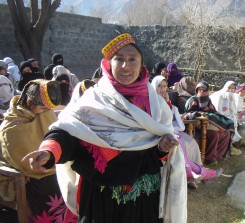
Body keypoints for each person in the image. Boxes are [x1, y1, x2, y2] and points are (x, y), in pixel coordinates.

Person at [22, 33, 187, 223]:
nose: (126, 66)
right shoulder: (93, 98)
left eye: (133, 60)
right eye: (119, 59)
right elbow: (67, 131)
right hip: (99, 196)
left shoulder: (156, 105)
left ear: (142, 65)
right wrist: (49, 152)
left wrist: (162, 148)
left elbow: (155, 150)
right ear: (109, 64)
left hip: (142, 196)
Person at [0, 79, 77, 222]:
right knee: (49, 187)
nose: (46, 111)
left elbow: (55, 135)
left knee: (72, 177)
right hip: (29, 177)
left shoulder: (43, 114)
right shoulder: (11, 125)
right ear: (29, 101)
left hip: (51, 167)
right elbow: (23, 162)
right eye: (43, 107)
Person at [151, 76, 222, 189]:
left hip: (171, 130)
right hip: (158, 134)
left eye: (164, 86)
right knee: (178, 142)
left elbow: (171, 118)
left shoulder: (167, 100)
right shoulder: (150, 101)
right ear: (153, 87)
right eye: (159, 86)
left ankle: (194, 175)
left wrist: (168, 103)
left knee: (191, 143)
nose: (163, 89)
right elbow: (157, 120)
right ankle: (199, 173)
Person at [184, 81, 233, 165]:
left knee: (226, 132)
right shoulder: (193, 100)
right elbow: (189, 114)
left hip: (208, 124)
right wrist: (200, 114)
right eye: (199, 90)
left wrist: (209, 115)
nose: (202, 92)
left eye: (204, 90)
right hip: (195, 126)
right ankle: (209, 159)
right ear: (196, 91)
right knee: (214, 134)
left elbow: (213, 111)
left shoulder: (208, 100)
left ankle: (218, 156)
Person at [209, 81, 243, 155]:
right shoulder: (220, 95)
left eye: (233, 89)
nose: (231, 90)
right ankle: (230, 147)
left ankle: (233, 143)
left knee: (234, 119)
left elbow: (233, 109)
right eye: (229, 88)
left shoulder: (230, 95)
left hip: (225, 116)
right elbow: (218, 110)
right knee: (231, 122)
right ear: (225, 87)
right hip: (216, 117)